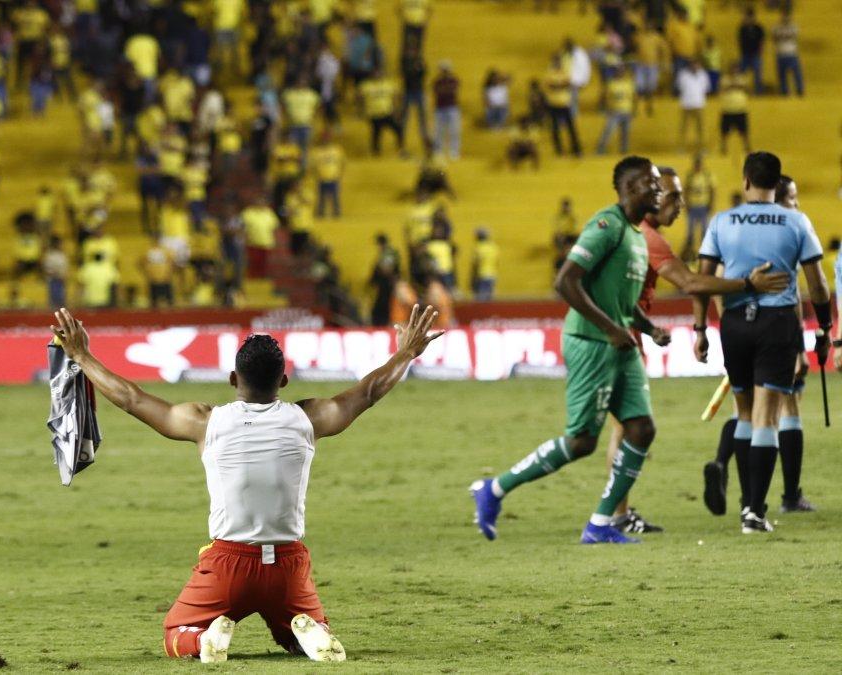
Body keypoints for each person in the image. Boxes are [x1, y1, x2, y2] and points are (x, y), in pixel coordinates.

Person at [49, 303, 443, 662]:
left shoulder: (205, 421)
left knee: (174, 631)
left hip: (228, 564)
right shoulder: (309, 418)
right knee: (295, 633)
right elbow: (369, 392)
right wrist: (407, 351)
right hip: (288, 564)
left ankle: (203, 642)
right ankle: (309, 633)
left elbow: (131, 399)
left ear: (233, 377)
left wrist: (81, 355)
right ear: (284, 380)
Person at [470, 156, 666, 544]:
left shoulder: (637, 236)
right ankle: (493, 489)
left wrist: (648, 327)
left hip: (619, 341)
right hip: (592, 342)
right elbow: (566, 282)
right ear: (628, 188)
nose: (658, 190)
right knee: (582, 441)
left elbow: (622, 301)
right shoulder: (606, 226)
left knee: (642, 428)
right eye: (651, 183)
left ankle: (600, 524)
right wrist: (611, 329)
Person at [603, 167, 787, 534]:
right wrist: (747, 285)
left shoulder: (640, 233)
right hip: (614, 336)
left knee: (626, 428)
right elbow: (689, 281)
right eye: (672, 196)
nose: (680, 204)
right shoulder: (649, 238)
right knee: (620, 431)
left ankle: (618, 513)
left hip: (623, 331)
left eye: (680, 196)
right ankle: (614, 515)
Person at [692, 152, 830, 534]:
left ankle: (742, 497)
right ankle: (753, 512)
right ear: (777, 182)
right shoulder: (796, 221)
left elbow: (702, 280)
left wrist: (700, 329)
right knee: (769, 415)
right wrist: (825, 327)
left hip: (734, 323)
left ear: (746, 180)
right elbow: (817, 284)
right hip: (778, 323)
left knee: (745, 413)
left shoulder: (722, 221)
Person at [359, 68, 403, 157]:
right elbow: (360, 98)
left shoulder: (388, 84)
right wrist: (362, 109)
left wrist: (396, 110)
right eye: (375, 74)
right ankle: (375, 151)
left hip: (387, 112)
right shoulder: (366, 85)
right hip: (374, 113)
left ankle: (400, 147)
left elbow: (395, 96)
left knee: (398, 128)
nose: (377, 76)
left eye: (379, 74)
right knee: (376, 133)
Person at [543, 53, 580, 157]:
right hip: (553, 104)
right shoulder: (549, 72)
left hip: (564, 103)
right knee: (555, 129)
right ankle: (559, 150)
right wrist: (561, 85)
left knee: (571, 128)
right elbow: (550, 85)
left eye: (558, 60)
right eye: (556, 61)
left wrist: (557, 85)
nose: (557, 62)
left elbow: (567, 84)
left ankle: (576, 149)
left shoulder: (565, 71)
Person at [682, 154, 715, 260]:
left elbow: (712, 190)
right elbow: (686, 190)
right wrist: (686, 204)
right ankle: (689, 254)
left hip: (703, 206)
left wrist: (711, 203)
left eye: (699, 164)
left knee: (704, 231)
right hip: (692, 207)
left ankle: (705, 254)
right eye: (696, 164)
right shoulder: (690, 176)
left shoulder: (707, 175)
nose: (697, 166)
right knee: (690, 231)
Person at [595, 66, 634, 155]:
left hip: (626, 111)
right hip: (614, 111)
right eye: (618, 71)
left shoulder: (629, 84)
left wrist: (633, 110)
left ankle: (624, 150)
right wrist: (603, 108)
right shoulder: (610, 84)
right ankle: (600, 149)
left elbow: (634, 97)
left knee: (625, 133)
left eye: (622, 71)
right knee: (608, 131)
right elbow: (603, 97)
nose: (620, 73)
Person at [676, 60, 709, 152]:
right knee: (684, 127)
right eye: (693, 65)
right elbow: (680, 87)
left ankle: (702, 148)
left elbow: (705, 88)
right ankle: (681, 147)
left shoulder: (703, 75)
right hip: (686, 104)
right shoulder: (683, 74)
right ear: (690, 65)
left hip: (698, 104)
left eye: (697, 65)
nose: (695, 67)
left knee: (700, 127)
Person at [719, 64, 751, 156]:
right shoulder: (724, 79)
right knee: (724, 132)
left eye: (736, 69)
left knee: (744, 131)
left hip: (740, 109)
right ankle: (723, 148)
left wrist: (733, 85)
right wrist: (736, 85)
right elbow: (722, 89)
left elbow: (747, 89)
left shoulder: (743, 78)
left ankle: (747, 147)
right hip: (727, 110)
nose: (734, 71)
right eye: (733, 69)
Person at [431, 60, 460, 159]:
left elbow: (450, 91)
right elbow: (440, 92)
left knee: (454, 130)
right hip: (440, 108)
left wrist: (444, 90)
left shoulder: (453, 80)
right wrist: (446, 90)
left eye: (446, 70)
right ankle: (438, 151)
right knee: (438, 131)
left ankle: (454, 151)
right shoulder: (437, 81)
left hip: (451, 107)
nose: (445, 71)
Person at [772, 8, 803, 97]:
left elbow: (793, 36)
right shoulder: (776, 27)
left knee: (797, 74)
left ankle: (799, 90)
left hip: (792, 54)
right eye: (784, 15)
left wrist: (782, 36)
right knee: (782, 75)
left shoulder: (794, 27)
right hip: (781, 54)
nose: (785, 18)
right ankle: (784, 91)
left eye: (787, 16)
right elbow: (774, 38)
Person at [737, 7, 765, 95]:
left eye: (749, 17)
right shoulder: (742, 29)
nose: (748, 19)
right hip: (745, 54)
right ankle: (742, 91)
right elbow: (740, 41)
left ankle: (758, 91)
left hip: (755, 54)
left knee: (758, 73)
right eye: (747, 17)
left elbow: (762, 41)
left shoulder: (758, 28)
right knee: (742, 73)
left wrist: (760, 52)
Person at [471, 228, 498, 301]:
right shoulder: (493, 247)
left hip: (481, 275)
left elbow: (476, 263)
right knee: (490, 298)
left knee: (480, 299)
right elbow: (496, 261)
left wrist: (473, 277)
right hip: (492, 274)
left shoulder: (478, 248)